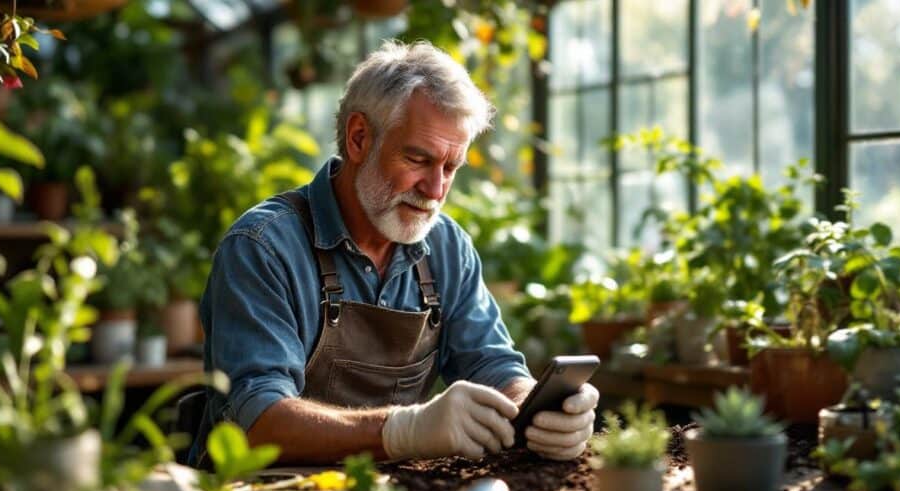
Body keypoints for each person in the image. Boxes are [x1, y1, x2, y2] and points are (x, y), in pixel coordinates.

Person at [189, 40, 598, 466]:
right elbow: (256, 423)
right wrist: (401, 430)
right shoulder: (263, 248)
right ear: (359, 138)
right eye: (418, 159)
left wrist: (542, 409)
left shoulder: (447, 248)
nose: (436, 190)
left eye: (451, 168)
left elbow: (490, 363)